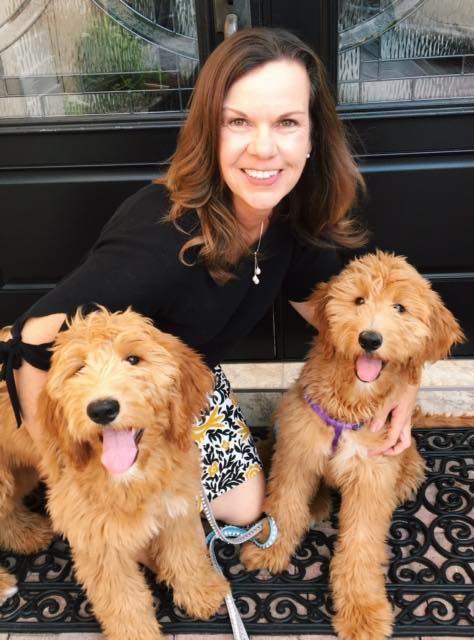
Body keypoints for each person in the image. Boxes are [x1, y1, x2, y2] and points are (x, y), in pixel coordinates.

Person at [1, 27, 418, 527]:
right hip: (92, 387)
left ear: (313, 138)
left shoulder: (292, 217)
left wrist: (405, 383)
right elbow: (27, 341)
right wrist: (64, 472)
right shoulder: (158, 244)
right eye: (238, 122)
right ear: (210, 132)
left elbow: (337, 320)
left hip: (181, 379)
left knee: (243, 507)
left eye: (286, 122)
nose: (264, 149)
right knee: (121, 502)